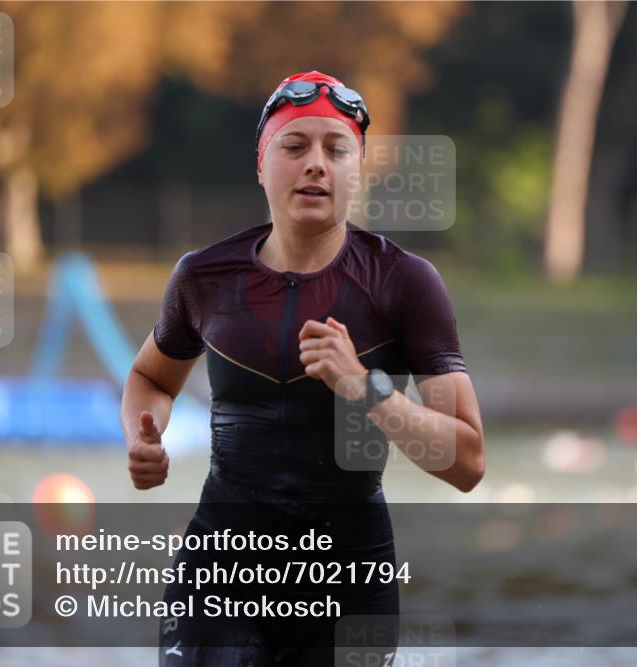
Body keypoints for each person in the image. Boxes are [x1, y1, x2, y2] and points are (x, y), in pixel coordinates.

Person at [120, 70, 486, 666]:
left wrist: (365, 388)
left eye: (336, 150)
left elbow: (467, 462)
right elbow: (152, 378)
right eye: (294, 146)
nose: (316, 164)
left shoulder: (404, 283)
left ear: (357, 172)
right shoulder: (204, 277)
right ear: (261, 165)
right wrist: (142, 435)